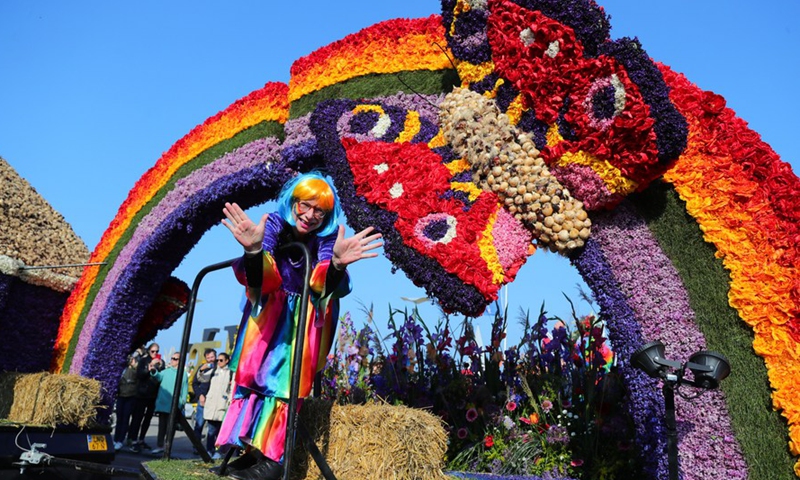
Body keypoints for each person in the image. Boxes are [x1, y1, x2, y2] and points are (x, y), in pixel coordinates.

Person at [215, 171, 382, 480]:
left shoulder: (326, 240)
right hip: (267, 315)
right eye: (306, 205)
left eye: (320, 211)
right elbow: (263, 279)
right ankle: (250, 453)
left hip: (300, 321)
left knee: (283, 386)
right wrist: (253, 250)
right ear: (293, 202)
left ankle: (274, 461)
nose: (311, 215)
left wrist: (336, 264)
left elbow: (320, 284)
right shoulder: (273, 225)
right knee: (252, 382)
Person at [150, 352, 189, 455]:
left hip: (175, 405)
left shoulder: (183, 374)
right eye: (172, 358)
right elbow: (157, 376)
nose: (172, 360)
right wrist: (153, 370)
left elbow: (184, 389)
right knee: (162, 426)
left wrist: (182, 402)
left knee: (171, 428)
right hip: (163, 404)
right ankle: (159, 446)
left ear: (180, 361)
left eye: (175, 359)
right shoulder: (166, 371)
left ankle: (168, 447)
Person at [128, 343, 161, 451]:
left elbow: (160, 377)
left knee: (148, 419)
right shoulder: (143, 360)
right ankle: (133, 440)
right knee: (137, 417)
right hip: (142, 394)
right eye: (153, 351)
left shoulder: (160, 362)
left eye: (157, 351)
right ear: (148, 351)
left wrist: (159, 366)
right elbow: (140, 375)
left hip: (153, 395)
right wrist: (149, 367)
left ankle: (141, 439)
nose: (155, 353)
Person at [204, 352, 233, 459]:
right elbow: (202, 379)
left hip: (222, 406)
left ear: (226, 361)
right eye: (218, 360)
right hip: (211, 406)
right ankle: (209, 450)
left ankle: (219, 452)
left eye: (221, 360)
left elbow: (232, 390)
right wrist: (202, 370)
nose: (218, 362)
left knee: (221, 431)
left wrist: (229, 401)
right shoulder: (213, 371)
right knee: (210, 431)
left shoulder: (230, 373)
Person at [192, 348, 217, 451]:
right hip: (202, 400)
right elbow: (194, 383)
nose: (210, 360)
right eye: (208, 358)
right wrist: (200, 395)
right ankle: (196, 447)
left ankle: (210, 449)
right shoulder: (202, 368)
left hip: (214, 401)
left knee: (212, 427)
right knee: (199, 424)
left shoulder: (219, 368)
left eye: (212, 357)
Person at [113, 354, 139, 451]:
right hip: (121, 396)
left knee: (125, 419)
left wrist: (134, 365)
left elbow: (138, 377)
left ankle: (120, 440)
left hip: (129, 397)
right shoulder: (120, 370)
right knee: (119, 419)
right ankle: (116, 439)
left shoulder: (132, 371)